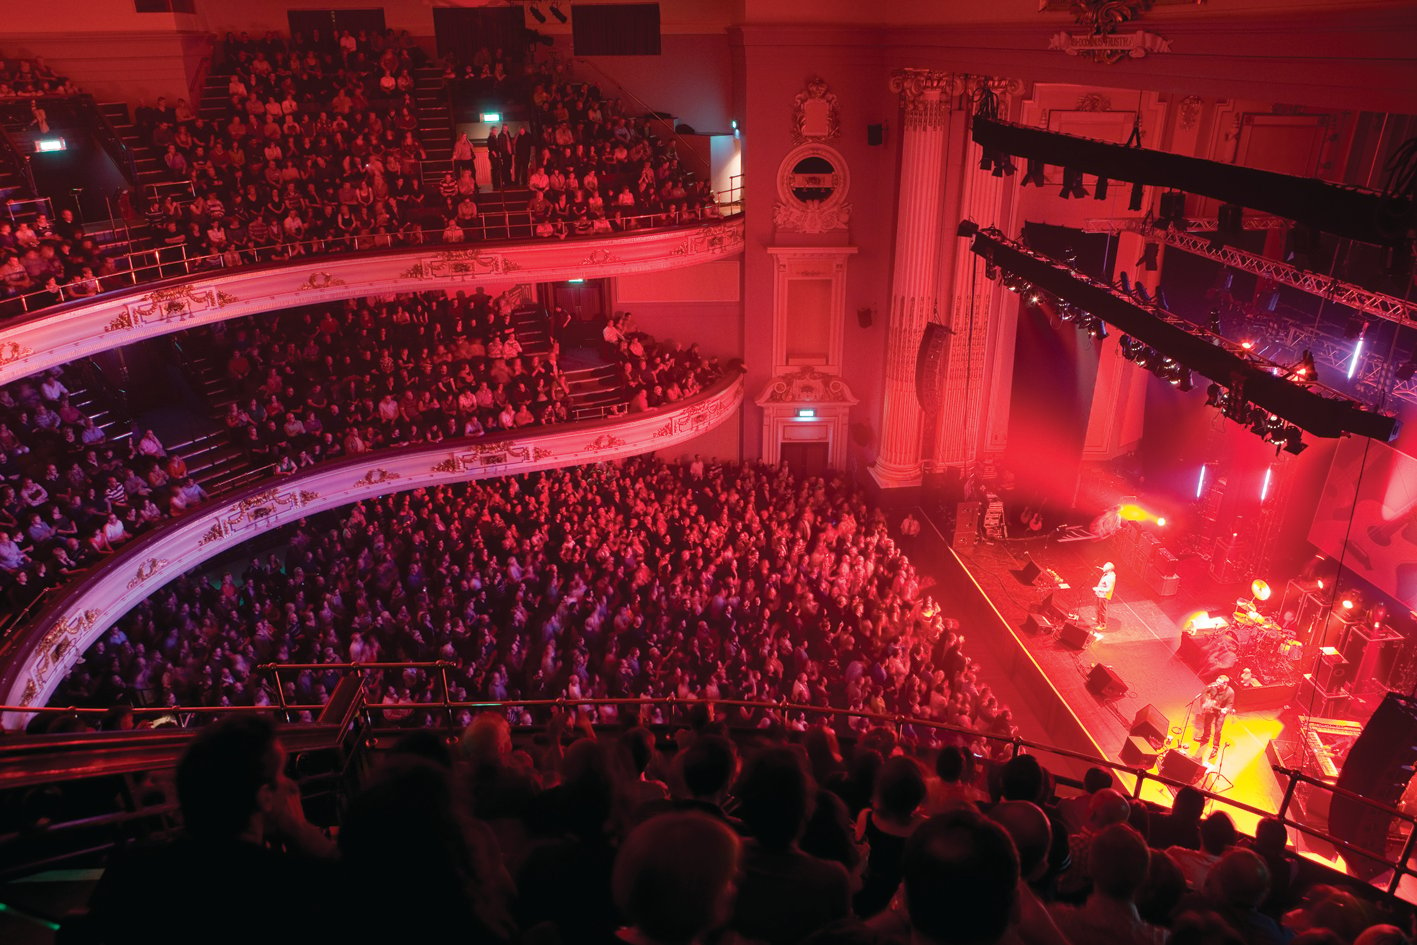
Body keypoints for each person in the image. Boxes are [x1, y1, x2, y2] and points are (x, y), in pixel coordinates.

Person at [1194, 674, 1235, 760]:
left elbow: (1230, 704)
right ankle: (1205, 738)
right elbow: (1204, 692)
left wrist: (1226, 709)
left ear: (1225, 684)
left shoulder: (1230, 692)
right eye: (1217, 681)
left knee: (1218, 730)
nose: (1216, 684)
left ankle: (1215, 747)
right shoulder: (1213, 685)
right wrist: (1206, 701)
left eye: (1219, 683)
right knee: (1207, 724)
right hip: (1212, 709)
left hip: (1220, 712)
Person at [1092, 561, 1116, 632]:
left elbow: (1108, 589)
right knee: (1098, 608)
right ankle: (1098, 620)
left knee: (1102, 610)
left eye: (1104, 567)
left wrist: (1097, 588)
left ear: (1109, 569)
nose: (1103, 567)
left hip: (1103, 596)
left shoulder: (1110, 578)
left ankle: (1102, 625)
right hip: (1100, 594)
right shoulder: (1108, 573)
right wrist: (1099, 568)